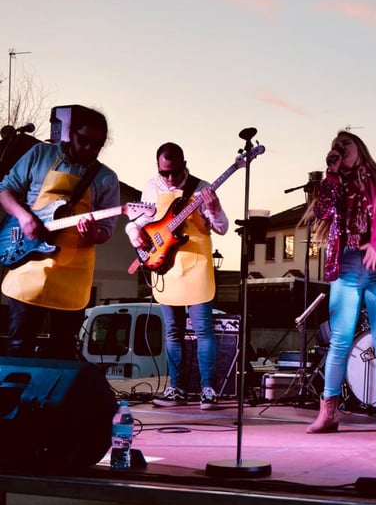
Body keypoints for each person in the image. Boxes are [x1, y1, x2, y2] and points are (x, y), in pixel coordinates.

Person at [305, 130, 376, 437]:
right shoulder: (334, 184)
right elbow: (321, 212)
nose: (339, 149)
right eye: (335, 146)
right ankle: (328, 412)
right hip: (347, 266)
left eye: (345, 145)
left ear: (359, 148)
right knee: (339, 340)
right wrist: (331, 174)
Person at [0, 105, 119, 360]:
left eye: (97, 145)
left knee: (63, 352)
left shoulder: (106, 178)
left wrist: (93, 234)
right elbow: (5, 190)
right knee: (18, 348)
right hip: (29, 263)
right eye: (84, 140)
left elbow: (106, 231)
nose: (89, 149)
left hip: (73, 273)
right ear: (71, 133)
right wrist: (23, 217)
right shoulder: (40, 154)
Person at [126, 142, 229, 410]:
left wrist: (214, 208)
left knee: (203, 330)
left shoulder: (202, 187)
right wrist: (133, 232)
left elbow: (222, 228)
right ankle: (176, 388)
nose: (170, 178)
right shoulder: (151, 187)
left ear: (185, 165)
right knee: (172, 331)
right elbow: (140, 220)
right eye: (164, 173)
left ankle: (208, 389)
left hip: (196, 264)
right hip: (166, 265)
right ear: (158, 168)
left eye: (175, 172)